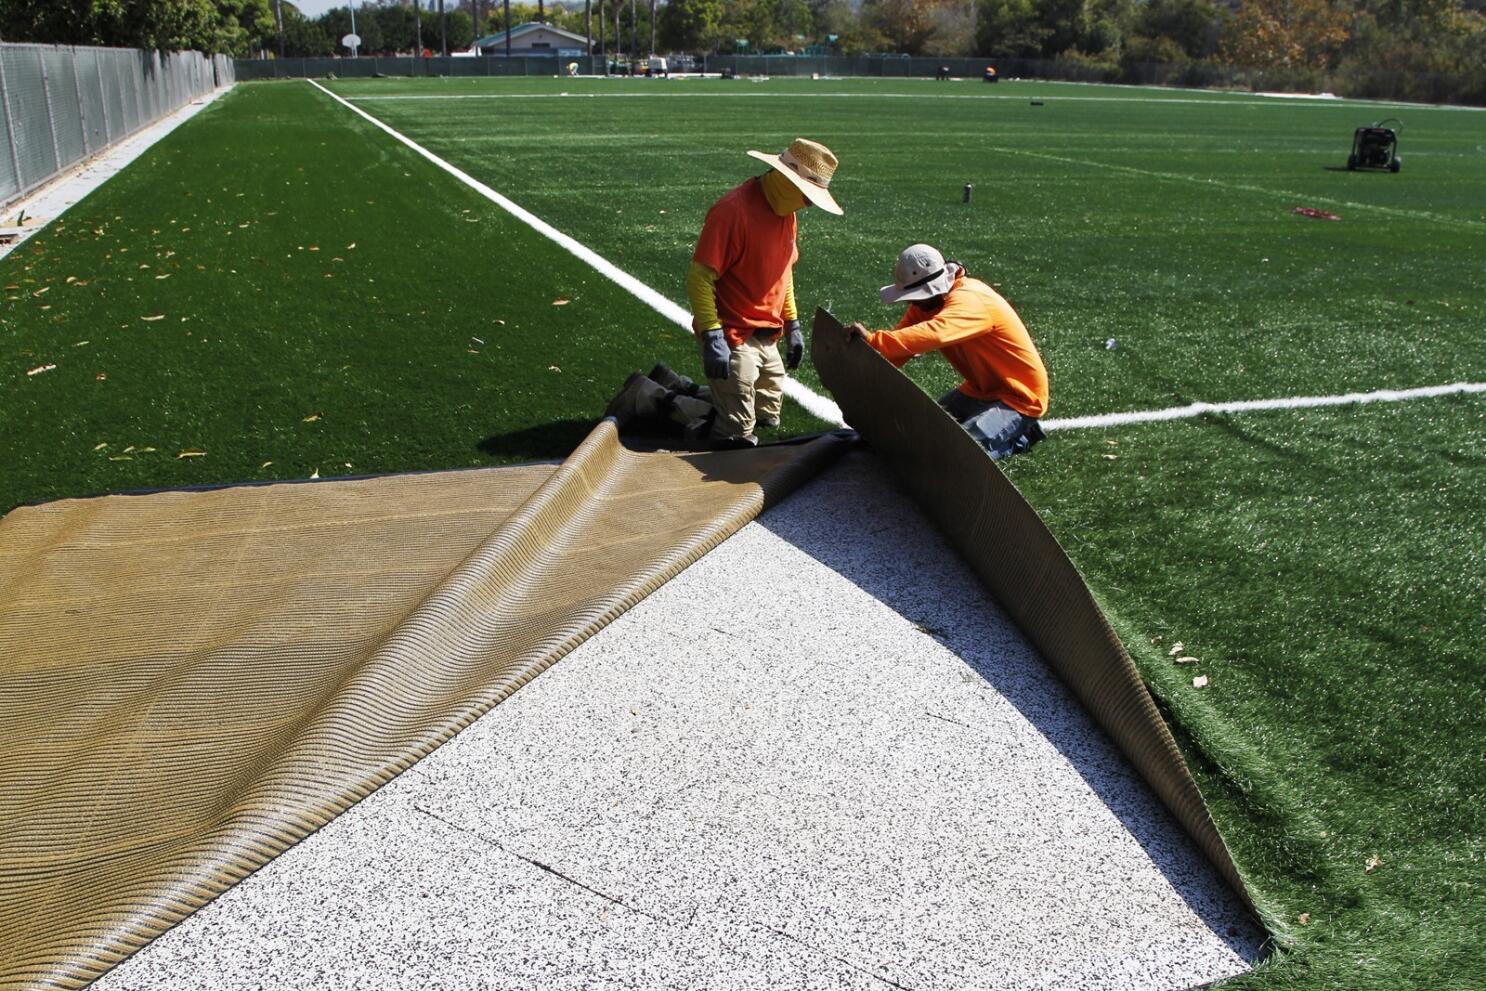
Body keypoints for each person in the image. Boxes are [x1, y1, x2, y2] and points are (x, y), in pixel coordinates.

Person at [687, 138, 843, 448]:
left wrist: (793, 323)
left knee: (767, 416)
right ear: (787, 180)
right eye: (807, 194)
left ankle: (698, 392)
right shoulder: (732, 211)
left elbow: (784, 272)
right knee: (736, 434)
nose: (810, 203)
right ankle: (656, 399)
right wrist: (713, 335)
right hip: (732, 331)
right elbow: (700, 277)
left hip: (766, 332)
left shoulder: (788, 213)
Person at [852, 243, 1048, 460]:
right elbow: (898, 347)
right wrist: (859, 359)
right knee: (921, 434)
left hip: (1019, 396)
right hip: (979, 389)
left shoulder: (970, 299)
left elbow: (936, 333)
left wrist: (874, 341)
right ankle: (1008, 432)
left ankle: (1020, 436)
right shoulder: (926, 305)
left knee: (956, 455)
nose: (909, 301)